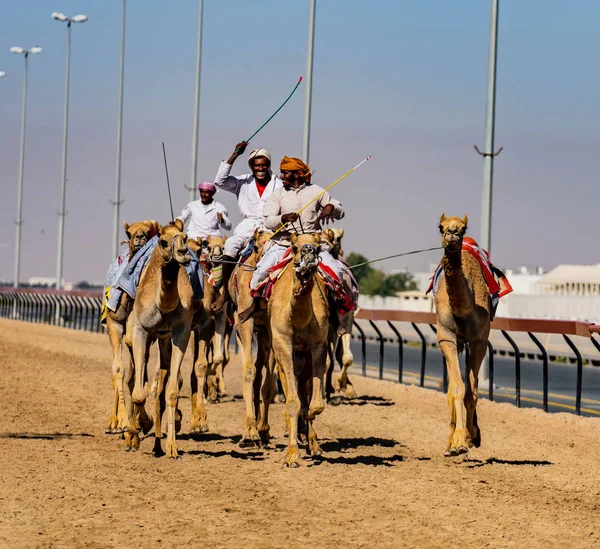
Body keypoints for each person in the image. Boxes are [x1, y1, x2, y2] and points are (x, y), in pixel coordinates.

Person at [237, 156, 345, 323]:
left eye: (285, 173)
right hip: (285, 243)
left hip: (312, 243)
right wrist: (283, 218)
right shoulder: (278, 195)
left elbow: (340, 210)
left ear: (296, 174)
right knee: (261, 271)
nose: (281, 177)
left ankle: (334, 314)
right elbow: (267, 220)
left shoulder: (317, 191)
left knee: (336, 271)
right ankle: (257, 304)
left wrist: (331, 207)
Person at [211, 141, 283, 312]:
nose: (260, 168)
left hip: (269, 228)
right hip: (247, 226)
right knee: (230, 245)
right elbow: (219, 181)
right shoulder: (242, 181)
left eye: (264, 165)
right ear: (252, 166)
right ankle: (225, 294)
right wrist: (235, 154)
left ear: (268, 165)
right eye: (257, 166)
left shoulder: (278, 183)